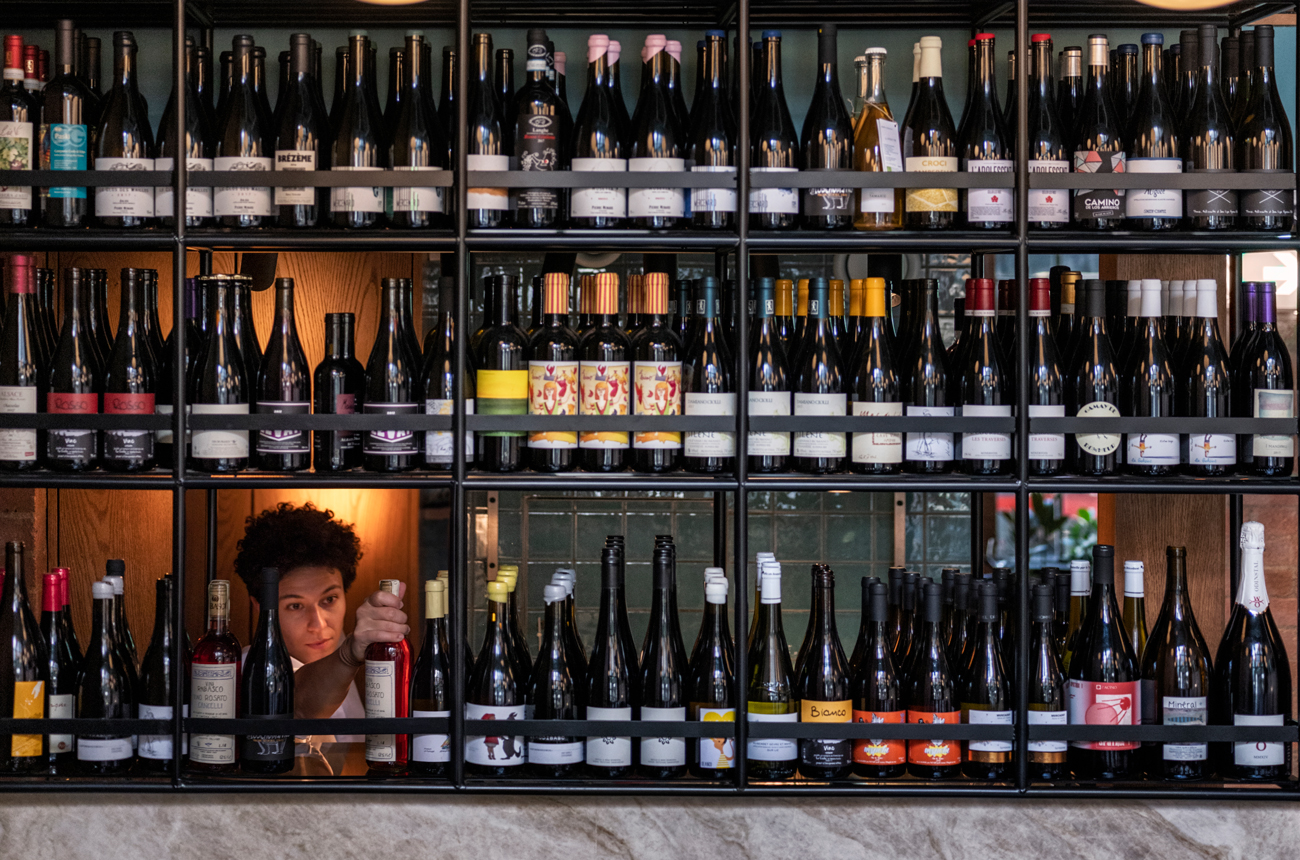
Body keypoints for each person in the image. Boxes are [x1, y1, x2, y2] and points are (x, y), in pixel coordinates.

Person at [233, 501, 410, 774]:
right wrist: (348, 655)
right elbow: (300, 706)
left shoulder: (334, 643)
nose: (319, 624)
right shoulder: (249, 668)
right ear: (260, 606)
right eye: (295, 605)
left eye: (329, 599)